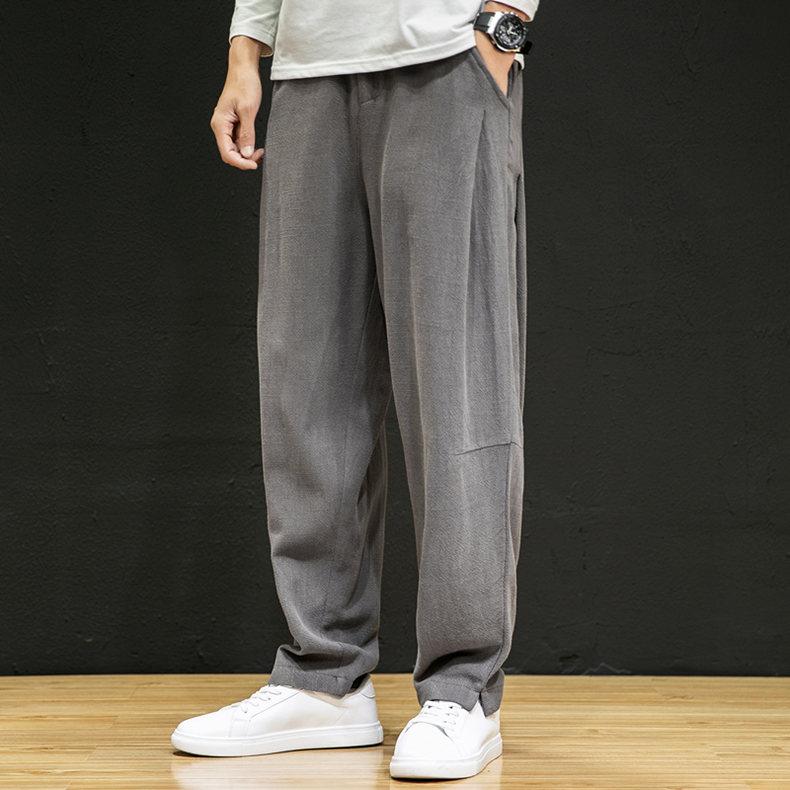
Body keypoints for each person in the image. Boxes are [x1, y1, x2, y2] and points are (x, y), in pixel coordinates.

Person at [171, 0, 537, 779]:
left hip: (446, 58)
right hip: (311, 70)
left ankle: (465, 689)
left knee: (456, 386)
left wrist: (502, 24)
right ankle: (324, 676)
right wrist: (247, 50)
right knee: (306, 385)